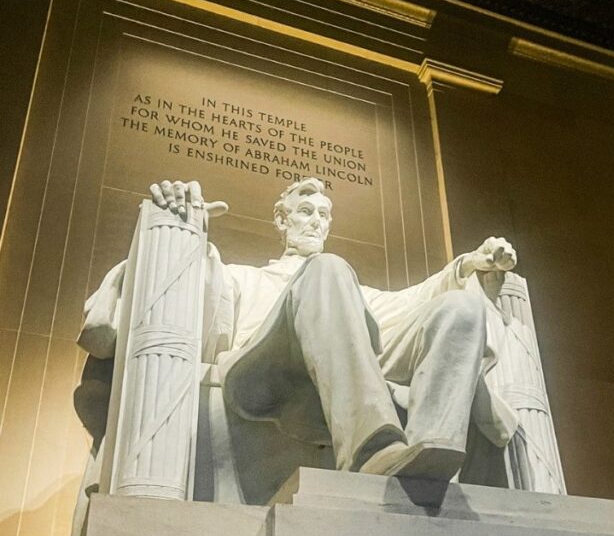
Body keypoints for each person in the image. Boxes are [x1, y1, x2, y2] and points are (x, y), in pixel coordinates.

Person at [105, 176, 517, 481]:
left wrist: (468, 267)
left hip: (349, 360)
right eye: (305, 212)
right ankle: (372, 451)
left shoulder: (350, 290)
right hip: (272, 373)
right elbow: (200, 297)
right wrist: (186, 221)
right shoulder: (245, 278)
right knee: (327, 268)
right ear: (281, 220)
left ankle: (429, 452)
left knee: (461, 306)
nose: (316, 222)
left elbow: (415, 301)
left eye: (323, 215)